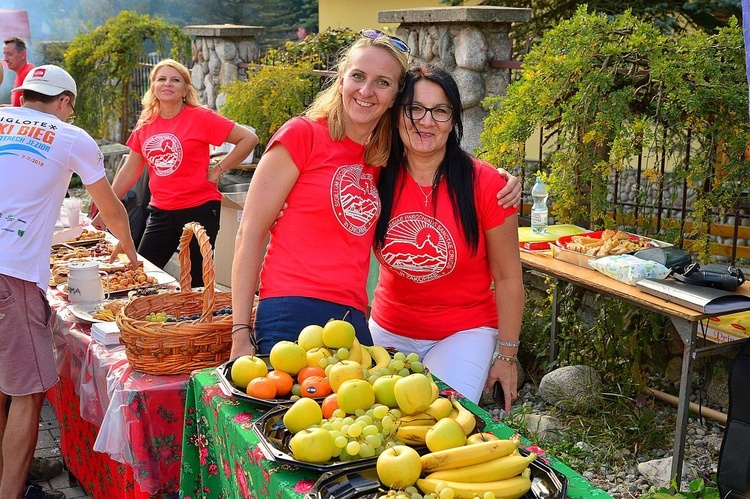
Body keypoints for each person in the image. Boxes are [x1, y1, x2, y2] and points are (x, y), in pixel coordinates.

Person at [230, 30, 522, 357]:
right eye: (358, 76)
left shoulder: (379, 158)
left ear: (395, 96)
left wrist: (498, 177)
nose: (366, 91)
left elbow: (433, 156)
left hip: (351, 315)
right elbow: (249, 232)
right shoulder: (303, 135)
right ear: (341, 80)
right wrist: (240, 330)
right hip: (291, 306)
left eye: (382, 82)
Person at [0, 65, 139, 499]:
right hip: (12, 274)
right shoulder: (70, 136)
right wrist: (131, 254)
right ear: (64, 103)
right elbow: (111, 208)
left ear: (24, 96)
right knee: (28, 392)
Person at [369, 64, 525, 412]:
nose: (426, 122)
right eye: (414, 109)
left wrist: (507, 356)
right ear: (396, 115)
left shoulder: (486, 185)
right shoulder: (374, 175)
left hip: (463, 331)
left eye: (440, 111)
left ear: (453, 121)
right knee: (376, 415)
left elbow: (508, 276)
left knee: (442, 418)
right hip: (388, 328)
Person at [97, 59, 258, 287]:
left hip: (199, 209)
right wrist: (106, 208)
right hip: (161, 211)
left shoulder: (201, 117)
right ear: (153, 86)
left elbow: (248, 139)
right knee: (143, 275)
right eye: (161, 79)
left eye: (175, 80)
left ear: (185, 88)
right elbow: (129, 170)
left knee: (197, 283)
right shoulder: (146, 122)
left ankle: (196, 321)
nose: (168, 84)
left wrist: (218, 170)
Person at [3, 37, 35, 107]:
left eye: (9, 54)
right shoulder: (22, 72)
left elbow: (28, 109)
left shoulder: (28, 74)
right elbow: (17, 106)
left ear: (23, 54)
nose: (5, 59)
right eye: (4, 54)